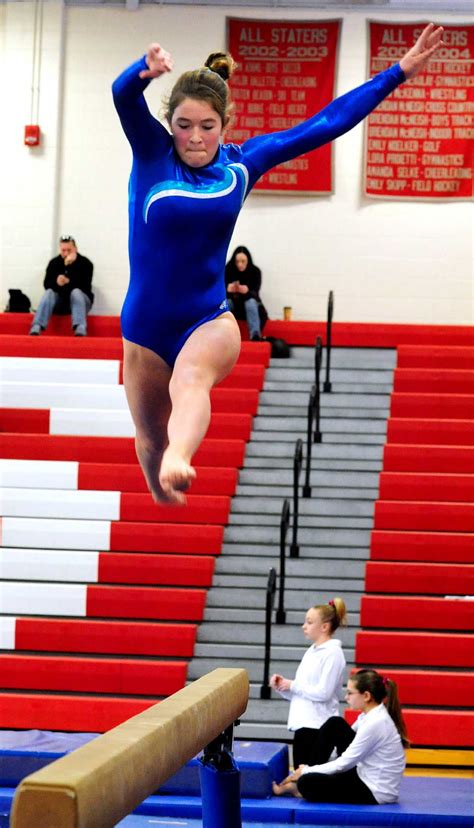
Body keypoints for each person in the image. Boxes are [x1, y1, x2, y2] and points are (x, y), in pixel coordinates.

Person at [112, 24, 443, 505]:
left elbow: (325, 123)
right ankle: (165, 476)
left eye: (208, 126)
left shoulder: (242, 163)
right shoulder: (151, 152)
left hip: (208, 319)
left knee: (191, 382)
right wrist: (142, 72)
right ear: (170, 123)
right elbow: (123, 96)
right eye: (184, 125)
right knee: (149, 439)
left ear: (224, 125)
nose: (196, 138)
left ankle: (181, 457)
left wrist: (398, 72)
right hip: (144, 327)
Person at [272, 669, 409, 806]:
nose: (346, 697)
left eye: (350, 693)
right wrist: (310, 769)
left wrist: (307, 770)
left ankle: (300, 785)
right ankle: (300, 782)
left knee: (307, 783)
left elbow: (343, 763)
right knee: (335, 724)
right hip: (362, 774)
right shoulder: (367, 716)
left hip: (375, 792)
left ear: (366, 696)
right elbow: (340, 751)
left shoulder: (376, 723)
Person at [270, 598, 347, 770]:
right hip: (303, 722)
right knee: (301, 779)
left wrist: (293, 685)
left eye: (310, 622)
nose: (304, 626)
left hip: (318, 726)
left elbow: (324, 693)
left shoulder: (333, 653)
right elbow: (304, 693)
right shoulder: (311, 652)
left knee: (307, 781)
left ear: (324, 627)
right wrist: (283, 687)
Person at [29, 236, 94, 336]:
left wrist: (69, 279)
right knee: (49, 292)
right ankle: (37, 326)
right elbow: (47, 284)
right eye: (63, 250)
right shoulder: (54, 263)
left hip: (80, 301)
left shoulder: (85, 263)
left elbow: (85, 285)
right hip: (61, 302)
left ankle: (80, 327)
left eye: (69, 250)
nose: (66, 253)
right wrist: (57, 283)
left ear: (75, 249)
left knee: (76, 292)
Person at [225, 246, 267, 341]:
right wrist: (227, 289)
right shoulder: (228, 270)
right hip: (234, 306)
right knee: (226, 303)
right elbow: (218, 295)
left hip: (249, 308)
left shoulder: (255, 272)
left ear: (248, 260)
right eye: (237, 262)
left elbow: (256, 294)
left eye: (243, 261)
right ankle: (225, 337)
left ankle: (255, 335)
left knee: (250, 302)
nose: (240, 264)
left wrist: (247, 291)